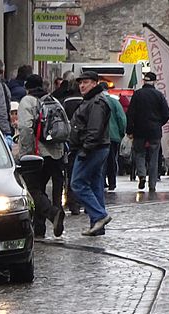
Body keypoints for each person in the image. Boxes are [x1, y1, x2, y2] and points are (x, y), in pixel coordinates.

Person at [17, 74, 65, 238]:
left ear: (27, 87)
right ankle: (39, 228)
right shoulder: (53, 100)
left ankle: (52, 213)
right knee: (42, 189)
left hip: (37, 153)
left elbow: (25, 128)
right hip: (56, 153)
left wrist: (26, 153)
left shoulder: (27, 101)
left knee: (33, 189)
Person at [69, 71, 112, 236]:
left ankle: (100, 216)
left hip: (93, 149)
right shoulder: (90, 100)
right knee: (95, 185)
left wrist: (86, 149)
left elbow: (94, 129)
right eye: (80, 83)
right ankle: (98, 225)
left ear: (94, 83)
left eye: (85, 82)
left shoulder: (96, 102)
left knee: (78, 184)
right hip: (95, 147)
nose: (82, 85)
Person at [126, 71, 169, 192]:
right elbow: (167, 113)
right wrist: (158, 123)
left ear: (144, 81)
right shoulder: (159, 95)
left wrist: (129, 130)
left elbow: (130, 114)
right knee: (154, 157)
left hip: (139, 130)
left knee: (139, 154)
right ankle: (152, 184)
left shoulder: (137, 94)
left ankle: (141, 174)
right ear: (154, 82)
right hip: (154, 132)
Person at [53, 71, 84, 215]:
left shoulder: (66, 102)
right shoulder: (85, 100)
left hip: (70, 141)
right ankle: (81, 202)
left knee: (71, 173)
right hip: (84, 141)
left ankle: (73, 203)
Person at [100, 83, 126, 191]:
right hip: (114, 136)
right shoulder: (115, 102)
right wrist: (121, 133)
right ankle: (112, 182)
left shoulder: (97, 101)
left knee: (101, 161)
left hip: (100, 136)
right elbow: (122, 118)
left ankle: (101, 182)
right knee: (112, 160)